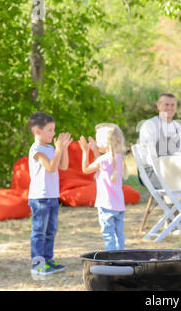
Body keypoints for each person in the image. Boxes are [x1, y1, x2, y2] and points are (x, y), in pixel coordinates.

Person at [28, 112, 72, 276]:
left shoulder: (51, 148)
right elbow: (51, 167)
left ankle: (47, 260)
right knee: (39, 232)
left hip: (53, 196)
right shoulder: (36, 150)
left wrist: (63, 149)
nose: (53, 134)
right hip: (40, 198)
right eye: (50, 130)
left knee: (51, 230)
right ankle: (37, 264)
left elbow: (63, 166)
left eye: (54, 130)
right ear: (37, 131)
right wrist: (59, 149)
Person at [79, 123, 127, 251]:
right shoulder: (119, 158)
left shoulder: (103, 160)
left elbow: (86, 169)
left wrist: (85, 151)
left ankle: (112, 257)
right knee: (119, 234)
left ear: (105, 142)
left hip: (106, 205)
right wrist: (95, 150)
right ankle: (120, 255)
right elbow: (103, 164)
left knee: (108, 234)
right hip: (119, 205)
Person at [138, 93, 181, 188]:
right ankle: (173, 202)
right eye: (166, 105)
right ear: (158, 106)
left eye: (172, 105)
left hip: (173, 169)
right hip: (151, 171)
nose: (170, 108)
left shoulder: (177, 127)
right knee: (175, 186)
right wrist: (166, 170)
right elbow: (148, 156)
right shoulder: (150, 125)